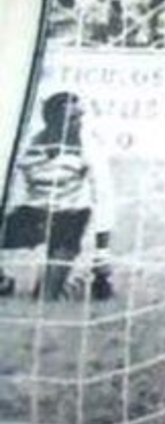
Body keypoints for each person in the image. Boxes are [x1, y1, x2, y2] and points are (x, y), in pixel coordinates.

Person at [0, 92, 114, 301]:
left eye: (80, 116)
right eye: (71, 119)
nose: (79, 123)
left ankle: (80, 280)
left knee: (44, 298)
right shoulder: (29, 144)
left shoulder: (90, 147)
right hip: (35, 215)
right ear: (52, 121)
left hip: (69, 219)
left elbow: (103, 199)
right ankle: (3, 283)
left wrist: (102, 255)